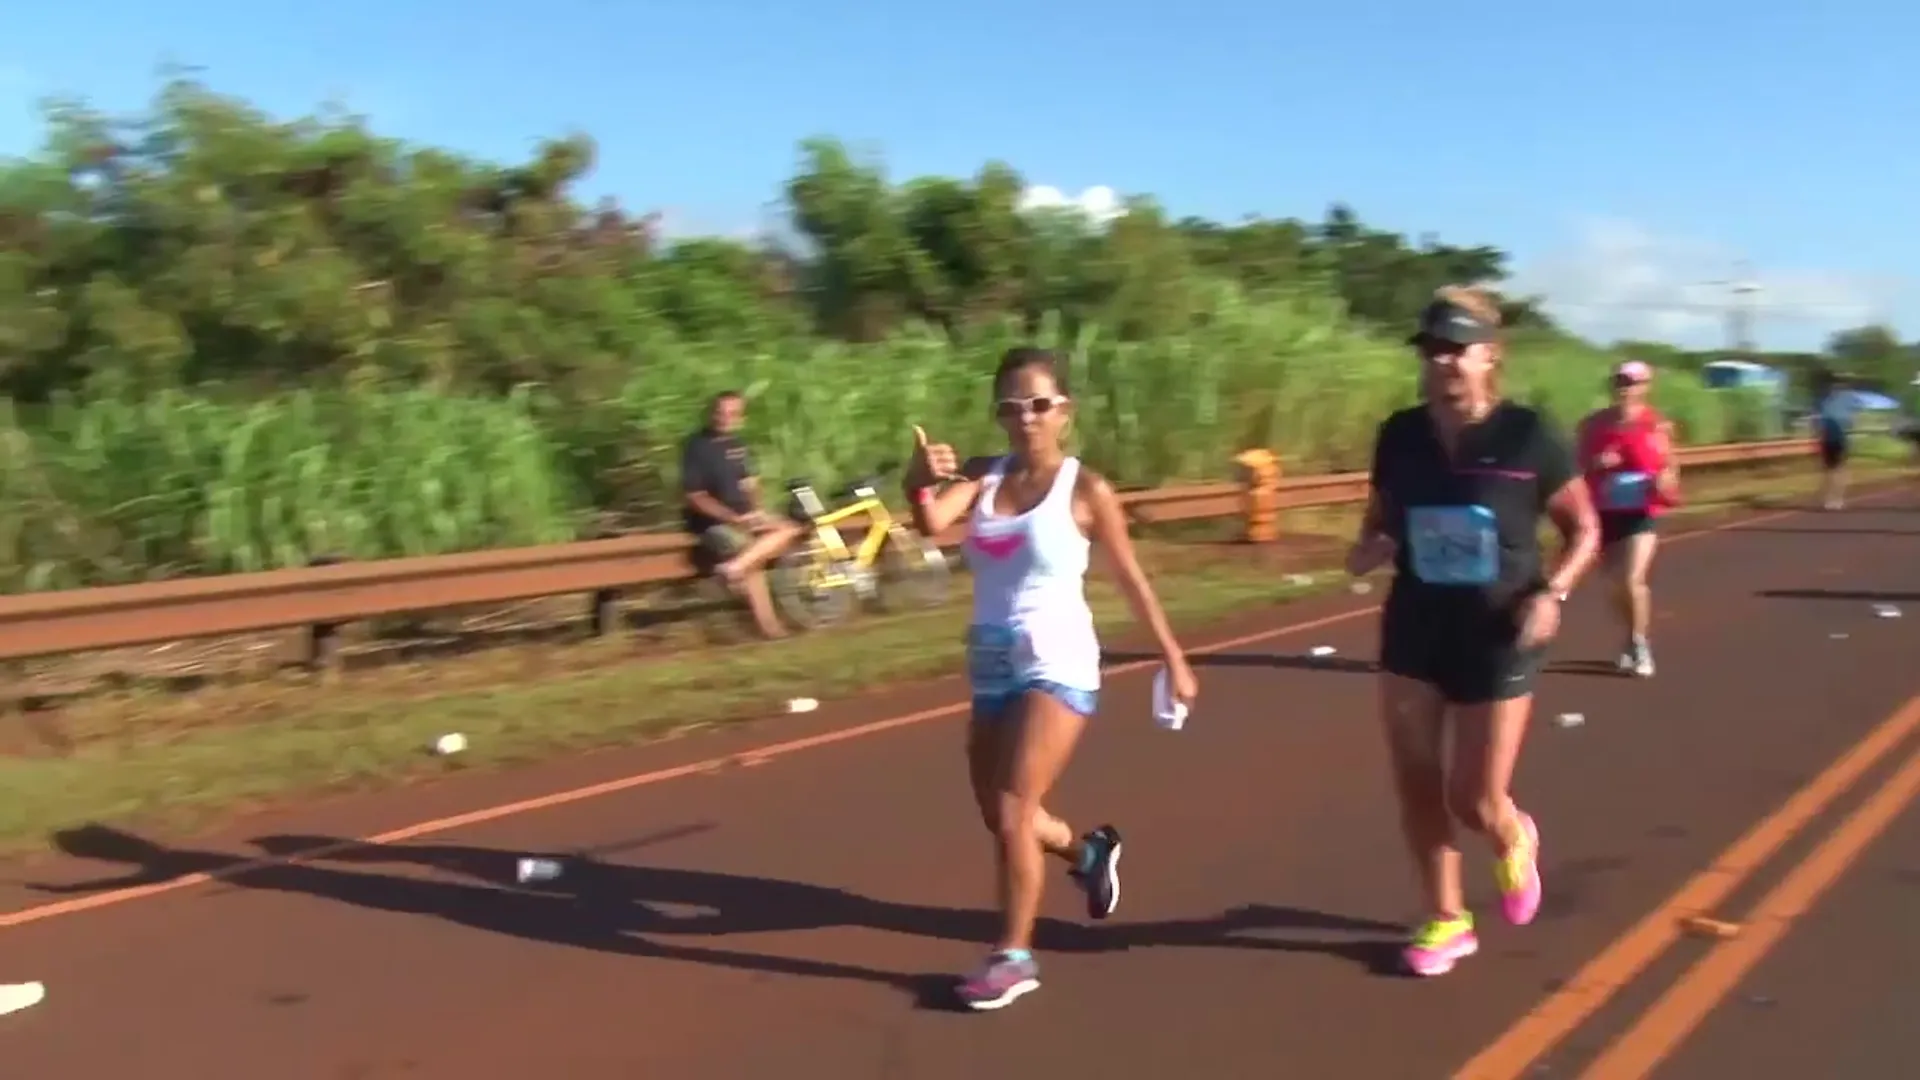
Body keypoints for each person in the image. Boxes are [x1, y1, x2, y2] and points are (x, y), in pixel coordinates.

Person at [903, 346, 1198, 1011]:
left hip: (1057, 660)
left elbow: (1129, 577)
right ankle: (1088, 854)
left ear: (1063, 410)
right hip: (991, 662)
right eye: (1011, 406)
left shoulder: (1085, 489)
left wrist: (1172, 656)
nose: (1025, 417)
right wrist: (916, 475)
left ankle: (1012, 957)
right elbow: (928, 520)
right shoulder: (983, 477)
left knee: (1012, 807)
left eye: (1038, 404)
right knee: (1003, 815)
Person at [1345, 285, 1600, 978]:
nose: (1444, 363)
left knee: (1474, 797)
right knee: (1418, 783)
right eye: (1432, 350)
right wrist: (1369, 544)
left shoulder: (1529, 434)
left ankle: (1512, 832)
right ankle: (1446, 918)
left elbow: (1584, 529)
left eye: (1458, 350)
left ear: (1491, 356)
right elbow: (1383, 515)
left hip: (1500, 627)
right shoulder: (1400, 434)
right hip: (1415, 625)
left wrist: (1554, 592)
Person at [1574, 360, 1679, 677]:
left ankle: (1639, 643)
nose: (1625, 387)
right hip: (1604, 512)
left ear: (1645, 386)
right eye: (1620, 381)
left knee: (1633, 580)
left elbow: (1670, 465)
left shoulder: (1656, 425)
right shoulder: (1593, 425)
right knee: (1613, 586)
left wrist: (1664, 479)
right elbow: (1576, 467)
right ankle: (1628, 637)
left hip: (1641, 511)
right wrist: (1598, 463)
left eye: (1632, 382)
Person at [679, 390, 804, 638]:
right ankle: (770, 628)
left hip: (744, 516)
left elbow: (750, 483)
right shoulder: (696, 447)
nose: (725, 418)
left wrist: (756, 511)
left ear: (741, 417)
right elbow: (695, 497)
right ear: (711, 413)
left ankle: (734, 568)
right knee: (752, 558)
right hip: (713, 522)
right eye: (721, 412)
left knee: (791, 528)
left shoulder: (737, 445)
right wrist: (732, 518)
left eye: (732, 413)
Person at [1810, 369, 1854, 510]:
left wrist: (1850, 429)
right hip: (1827, 437)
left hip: (1840, 436)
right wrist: (1816, 433)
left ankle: (1838, 498)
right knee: (1829, 469)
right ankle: (1829, 498)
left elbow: (1852, 418)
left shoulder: (1847, 398)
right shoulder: (1821, 399)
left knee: (1839, 468)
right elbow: (1815, 418)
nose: (1834, 386)